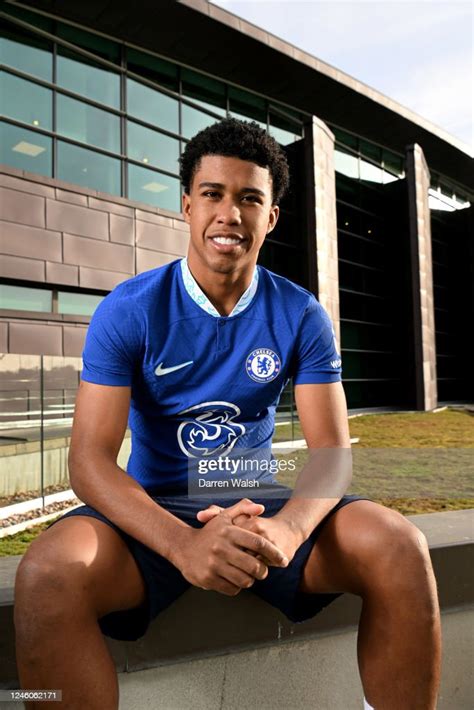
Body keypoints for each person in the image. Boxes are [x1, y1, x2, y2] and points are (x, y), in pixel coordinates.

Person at [14, 118, 441, 710]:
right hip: (153, 509)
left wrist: (288, 529)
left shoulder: (300, 314)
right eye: (212, 194)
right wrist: (182, 545)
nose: (229, 213)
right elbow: (88, 460)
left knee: (400, 545)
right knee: (45, 575)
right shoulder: (128, 310)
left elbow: (332, 453)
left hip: (255, 503)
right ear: (187, 206)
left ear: (270, 217)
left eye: (249, 198)